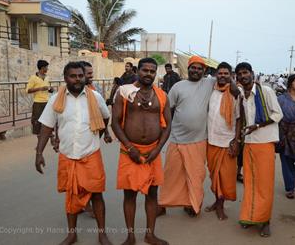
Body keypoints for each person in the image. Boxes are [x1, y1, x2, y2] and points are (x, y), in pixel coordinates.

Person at [35, 61, 113, 245]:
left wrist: (97, 136)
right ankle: (72, 234)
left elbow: (105, 117)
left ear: (84, 77)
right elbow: (46, 126)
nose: (77, 79)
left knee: (96, 195)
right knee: (71, 195)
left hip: (91, 154)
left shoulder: (95, 97)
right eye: (73, 76)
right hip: (68, 155)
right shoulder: (56, 99)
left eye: (80, 76)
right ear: (65, 78)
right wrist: (39, 152)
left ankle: (102, 234)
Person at [112, 58, 171, 245]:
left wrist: (158, 149)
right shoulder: (124, 92)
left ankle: (150, 234)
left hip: (153, 152)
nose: (148, 74)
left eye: (152, 71)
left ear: (156, 73)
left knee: (152, 194)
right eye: (145, 70)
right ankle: (130, 236)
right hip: (130, 152)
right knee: (129, 195)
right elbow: (115, 122)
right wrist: (130, 148)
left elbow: (168, 125)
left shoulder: (162, 95)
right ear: (138, 71)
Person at [158, 56, 224, 217]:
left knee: (196, 176)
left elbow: (226, 76)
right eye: (193, 68)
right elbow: (167, 109)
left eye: (199, 68)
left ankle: (192, 204)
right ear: (188, 69)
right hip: (177, 139)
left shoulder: (209, 83)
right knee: (171, 175)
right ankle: (163, 203)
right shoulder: (178, 86)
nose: (196, 70)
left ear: (204, 71)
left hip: (199, 140)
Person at [236, 62, 283, 237]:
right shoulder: (241, 95)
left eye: (245, 72)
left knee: (264, 185)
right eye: (239, 74)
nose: (243, 76)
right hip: (248, 143)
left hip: (264, 142)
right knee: (250, 182)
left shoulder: (266, 91)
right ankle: (249, 216)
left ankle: (264, 221)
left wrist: (258, 125)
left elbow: (278, 114)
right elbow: (239, 118)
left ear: (252, 73)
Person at [204, 62, 241, 220]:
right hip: (211, 139)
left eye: (226, 73)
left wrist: (237, 140)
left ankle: (220, 205)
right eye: (220, 73)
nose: (223, 76)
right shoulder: (211, 91)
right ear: (216, 74)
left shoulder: (235, 93)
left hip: (227, 141)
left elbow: (239, 119)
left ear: (231, 75)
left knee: (225, 176)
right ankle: (216, 201)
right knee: (214, 175)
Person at [26, 60, 53, 146]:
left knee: (49, 121)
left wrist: (50, 89)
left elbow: (47, 88)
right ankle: (39, 144)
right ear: (42, 68)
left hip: (47, 102)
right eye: (46, 67)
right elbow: (28, 90)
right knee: (37, 123)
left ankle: (52, 137)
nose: (47, 69)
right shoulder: (33, 78)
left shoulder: (47, 77)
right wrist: (40, 88)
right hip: (38, 103)